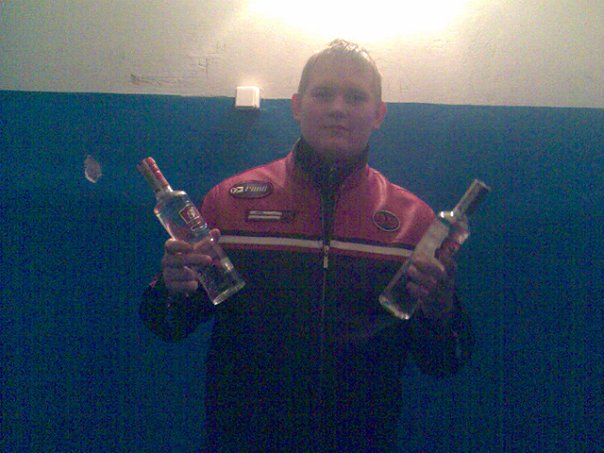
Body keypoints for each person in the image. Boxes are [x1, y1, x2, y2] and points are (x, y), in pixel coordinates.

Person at [140, 39, 474, 452]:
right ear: (297, 106)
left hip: (362, 440)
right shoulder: (229, 202)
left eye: (355, 97)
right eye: (323, 93)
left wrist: (441, 311)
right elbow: (169, 326)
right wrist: (172, 289)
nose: (338, 108)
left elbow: (443, 362)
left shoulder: (413, 220)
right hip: (244, 437)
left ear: (378, 114)